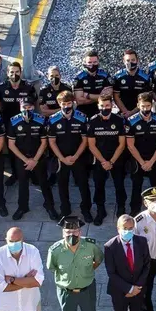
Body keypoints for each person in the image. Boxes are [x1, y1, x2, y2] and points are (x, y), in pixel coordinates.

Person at [46, 215, 104, 311]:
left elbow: (98, 260)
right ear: (63, 233)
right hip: (66, 291)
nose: (72, 235)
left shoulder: (90, 246)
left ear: (80, 232)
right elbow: (51, 267)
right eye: (68, 232)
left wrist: (87, 273)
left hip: (87, 289)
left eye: (75, 232)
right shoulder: (55, 250)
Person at [104, 214, 152, 311]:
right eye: (125, 228)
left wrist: (137, 287)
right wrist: (129, 288)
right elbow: (111, 273)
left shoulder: (142, 242)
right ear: (118, 228)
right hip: (119, 290)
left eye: (131, 228)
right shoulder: (110, 246)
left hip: (138, 288)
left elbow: (147, 265)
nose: (128, 231)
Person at [7, 96, 56, 221]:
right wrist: (26, 160)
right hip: (21, 158)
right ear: (20, 107)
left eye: (29, 107)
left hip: (38, 157)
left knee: (44, 183)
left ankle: (50, 207)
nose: (27, 109)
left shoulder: (41, 120)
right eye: (24, 107)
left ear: (33, 107)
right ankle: (22, 207)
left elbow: (44, 143)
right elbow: (11, 145)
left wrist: (34, 160)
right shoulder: (13, 121)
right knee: (22, 184)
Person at [47, 90, 92, 221]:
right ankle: (65, 210)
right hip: (61, 159)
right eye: (63, 103)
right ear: (59, 104)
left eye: (69, 103)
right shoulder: (53, 119)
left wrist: (76, 156)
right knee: (62, 185)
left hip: (79, 158)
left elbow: (85, 140)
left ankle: (86, 210)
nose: (66, 106)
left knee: (83, 185)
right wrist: (62, 158)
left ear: (73, 102)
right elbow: (52, 142)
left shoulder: (82, 117)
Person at [86, 95, 128, 224]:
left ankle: (121, 207)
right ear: (98, 106)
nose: (105, 108)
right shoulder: (93, 121)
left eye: (107, 106)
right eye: (102, 106)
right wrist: (104, 161)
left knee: (119, 185)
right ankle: (100, 210)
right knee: (99, 186)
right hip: (100, 159)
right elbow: (91, 145)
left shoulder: (119, 120)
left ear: (112, 106)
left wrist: (112, 161)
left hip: (116, 158)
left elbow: (122, 144)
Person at [73, 49, 113, 117]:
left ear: (98, 62)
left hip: (101, 109)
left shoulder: (105, 75)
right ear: (85, 63)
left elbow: (108, 97)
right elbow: (79, 101)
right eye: (90, 62)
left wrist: (87, 95)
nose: (92, 64)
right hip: (82, 110)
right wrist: (100, 97)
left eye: (95, 62)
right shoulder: (79, 77)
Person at [114, 48, 151, 116]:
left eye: (133, 60)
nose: (130, 62)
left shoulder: (145, 77)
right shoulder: (118, 76)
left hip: (141, 112)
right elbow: (116, 96)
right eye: (128, 60)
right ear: (124, 61)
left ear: (137, 60)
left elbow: (146, 98)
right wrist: (125, 111)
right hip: (123, 112)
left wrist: (132, 113)